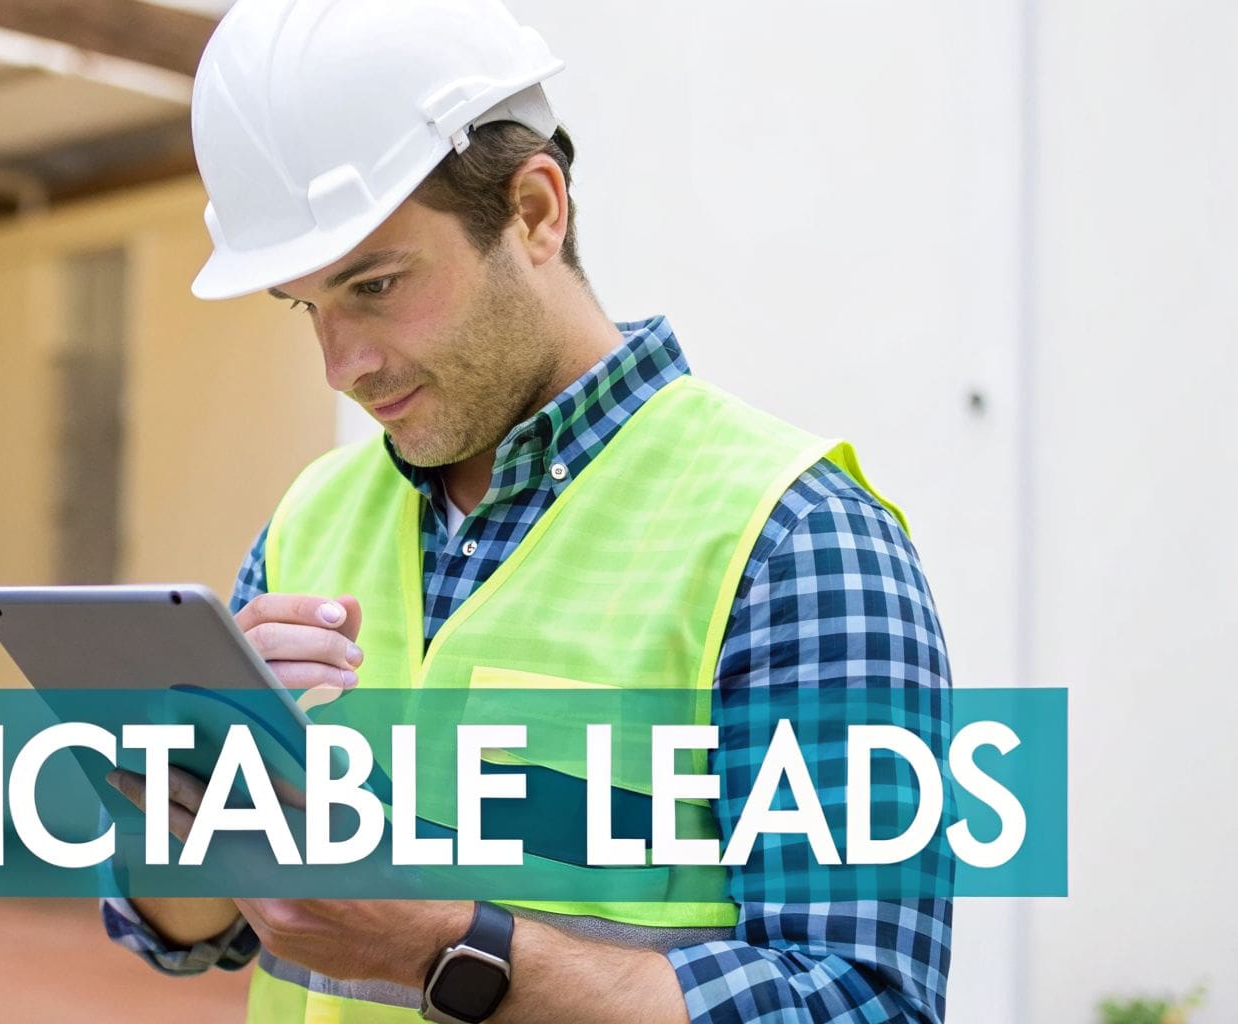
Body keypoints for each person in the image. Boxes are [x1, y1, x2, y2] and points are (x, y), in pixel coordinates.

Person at [102, 1, 952, 1020]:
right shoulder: (311, 517)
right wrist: (198, 812)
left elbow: (865, 1003)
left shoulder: (791, 540)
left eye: (372, 285)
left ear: (535, 210)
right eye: (306, 307)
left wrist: (441, 948)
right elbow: (193, 929)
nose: (342, 366)